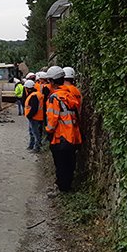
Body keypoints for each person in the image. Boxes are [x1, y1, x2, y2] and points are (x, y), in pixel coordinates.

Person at [45, 65, 82, 193]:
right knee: (70, 163)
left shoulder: (54, 98)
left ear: (52, 81)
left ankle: (62, 188)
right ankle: (68, 186)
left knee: (60, 164)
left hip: (60, 137)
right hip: (73, 136)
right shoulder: (69, 95)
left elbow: (52, 120)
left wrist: (48, 131)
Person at [23, 79, 43, 152]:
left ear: (28, 88)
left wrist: (29, 115)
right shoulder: (36, 94)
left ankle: (36, 147)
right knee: (32, 132)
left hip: (34, 117)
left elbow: (34, 108)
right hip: (36, 117)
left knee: (35, 133)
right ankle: (31, 145)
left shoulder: (34, 96)